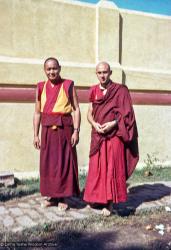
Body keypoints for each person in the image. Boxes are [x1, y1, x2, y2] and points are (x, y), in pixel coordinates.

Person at [83, 62, 139, 216]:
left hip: (114, 135)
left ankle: (109, 204)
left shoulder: (120, 91)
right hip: (98, 135)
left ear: (111, 72)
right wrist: (94, 124)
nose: (102, 75)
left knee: (111, 168)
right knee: (97, 168)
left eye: (105, 72)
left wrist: (113, 124)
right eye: (99, 72)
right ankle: (96, 199)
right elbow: (89, 112)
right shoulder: (93, 90)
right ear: (96, 74)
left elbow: (127, 115)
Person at [33, 57, 81, 210]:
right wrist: (36, 134)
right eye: (48, 69)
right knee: (49, 164)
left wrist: (76, 131)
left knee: (64, 163)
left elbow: (76, 109)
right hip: (47, 131)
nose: (51, 72)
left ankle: (64, 198)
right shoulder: (40, 87)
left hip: (64, 130)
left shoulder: (68, 85)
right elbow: (37, 112)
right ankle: (52, 196)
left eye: (54, 68)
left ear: (59, 68)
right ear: (44, 70)